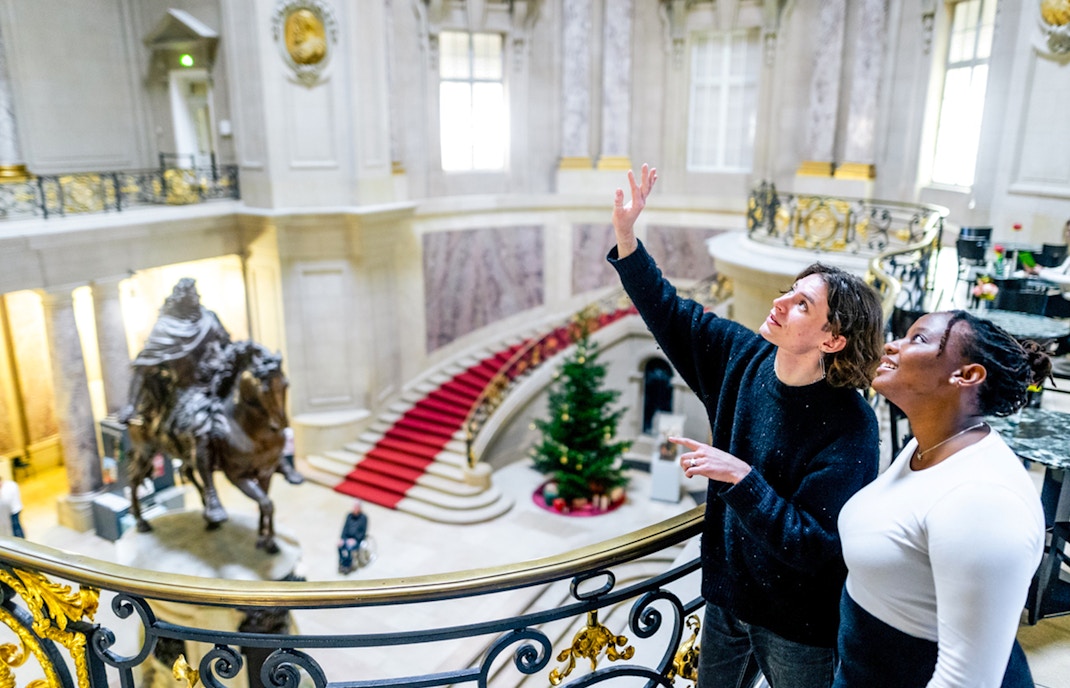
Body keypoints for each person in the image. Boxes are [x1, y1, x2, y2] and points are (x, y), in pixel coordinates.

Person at [609, 164, 885, 688]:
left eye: (802, 304)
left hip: (799, 623)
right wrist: (627, 239)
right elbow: (671, 313)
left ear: (832, 340)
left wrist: (742, 478)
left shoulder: (852, 426)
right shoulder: (743, 357)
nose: (779, 302)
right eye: (789, 290)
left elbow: (818, 544)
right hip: (728, 598)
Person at [834, 310, 1049, 687]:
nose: (891, 345)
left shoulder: (983, 503)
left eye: (917, 339)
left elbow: (965, 681)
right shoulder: (929, 442)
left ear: (966, 376)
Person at [118, 278, 232, 425]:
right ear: (182, 299)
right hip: (187, 391)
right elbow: (143, 368)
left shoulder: (209, 318)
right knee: (196, 425)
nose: (198, 297)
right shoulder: (165, 327)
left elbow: (227, 345)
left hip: (220, 381)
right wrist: (131, 405)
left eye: (196, 294)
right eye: (193, 295)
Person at [337, 500, 368, 574]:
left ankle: (348, 564)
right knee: (340, 546)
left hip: (356, 540)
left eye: (356, 507)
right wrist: (342, 538)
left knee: (349, 548)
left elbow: (363, 532)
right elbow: (345, 528)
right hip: (347, 538)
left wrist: (354, 539)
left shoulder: (363, 518)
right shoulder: (349, 515)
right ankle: (342, 561)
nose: (355, 509)